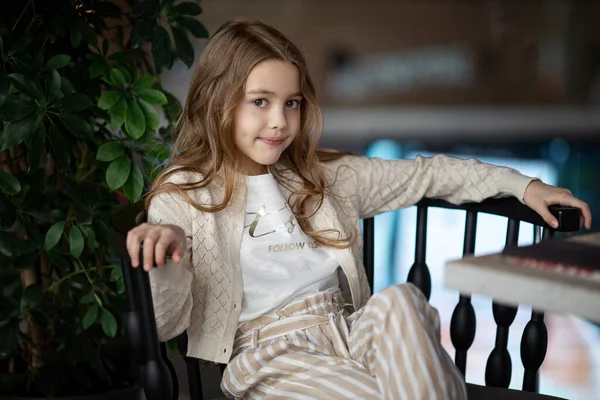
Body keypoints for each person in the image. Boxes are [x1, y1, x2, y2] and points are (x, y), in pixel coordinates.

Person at [126, 18, 592, 400]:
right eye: (260, 103)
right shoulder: (184, 195)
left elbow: (427, 175)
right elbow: (167, 323)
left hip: (350, 329)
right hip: (270, 355)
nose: (279, 122)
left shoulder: (326, 178)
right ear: (216, 103)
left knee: (400, 299)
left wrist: (521, 185)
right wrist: (167, 260)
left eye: (291, 103)